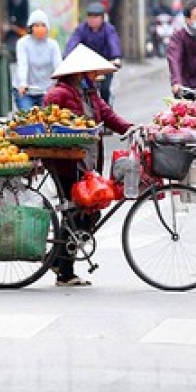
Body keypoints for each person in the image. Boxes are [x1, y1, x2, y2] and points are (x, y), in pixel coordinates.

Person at [43, 44, 134, 287]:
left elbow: (107, 115)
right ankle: (65, 271)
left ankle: (58, 261)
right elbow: (53, 124)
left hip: (86, 161)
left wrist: (130, 128)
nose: (95, 76)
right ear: (79, 72)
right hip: (65, 162)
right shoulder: (58, 94)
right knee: (76, 211)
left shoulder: (90, 93)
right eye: (92, 72)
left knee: (89, 210)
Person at [66, 2, 122, 104]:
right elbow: (73, 42)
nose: (92, 19)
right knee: (79, 90)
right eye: (90, 16)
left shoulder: (109, 29)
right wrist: (67, 57)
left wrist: (116, 58)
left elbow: (113, 43)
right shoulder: (81, 29)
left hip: (105, 65)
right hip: (87, 66)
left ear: (102, 18)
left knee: (105, 90)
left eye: (96, 16)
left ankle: (106, 110)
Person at [13, 9, 62, 110]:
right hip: (26, 91)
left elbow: (58, 66)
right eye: (36, 25)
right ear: (31, 27)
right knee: (28, 119)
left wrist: (59, 84)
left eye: (43, 25)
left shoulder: (53, 45)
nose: (40, 29)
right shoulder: (23, 43)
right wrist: (22, 83)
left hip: (46, 91)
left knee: (48, 119)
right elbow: (23, 64)